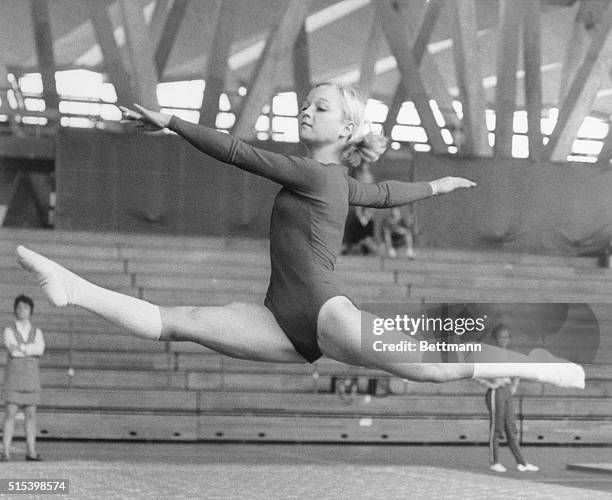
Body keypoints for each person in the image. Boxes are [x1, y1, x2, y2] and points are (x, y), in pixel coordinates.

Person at [15, 82, 585, 391]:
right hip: (279, 317)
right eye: (306, 104)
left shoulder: (316, 174)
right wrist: (435, 186)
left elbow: (240, 153)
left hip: (321, 310)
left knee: (435, 366)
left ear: (345, 129)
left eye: (320, 107)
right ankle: (73, 288)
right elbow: (383, 195)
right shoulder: (335, 182)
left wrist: (173, 121)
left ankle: (536, 362)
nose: (306, 112)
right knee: (176, 321)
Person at [478, 324, 538, 473]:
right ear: (495, 339)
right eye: (500, 337)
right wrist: (490, 384)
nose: (503, 340)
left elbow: (517, 372)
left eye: (506, 337)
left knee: (511, 428)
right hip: (495, 393)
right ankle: (494, 461)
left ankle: (521, 463)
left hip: (506, 392)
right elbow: (476, 373)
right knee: (497, 428)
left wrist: (514, 386)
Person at [2, 295, 45, 461]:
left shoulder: (37, 331)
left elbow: (39, 349)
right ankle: (5, 451)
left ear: (30, 311)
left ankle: (31, 452)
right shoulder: (8, 330)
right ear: (15, 310)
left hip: (31, 378)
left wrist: (21, 347)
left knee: (31, 414)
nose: (22, 311)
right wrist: (29, 348)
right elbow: (13, 351)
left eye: (25, 308)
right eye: (19, 307)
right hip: (14, 377)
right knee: (10, 413)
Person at [342, 170, 380, 255]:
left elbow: (369, 211)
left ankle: (363, 246)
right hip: (356, 229)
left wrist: (366, 217)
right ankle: (357, 246)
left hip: (366, 231)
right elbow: (358, 210)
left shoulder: (370, 216)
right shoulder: (355, 211)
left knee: (372, 245)